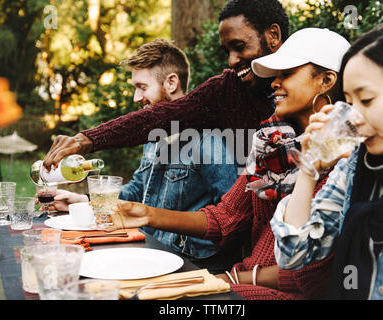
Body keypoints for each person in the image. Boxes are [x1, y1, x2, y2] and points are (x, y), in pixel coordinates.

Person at [107, 28, 351, 300]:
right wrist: (147, 214)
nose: (274, 83)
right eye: (275, 75)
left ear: (326, 80)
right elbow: (225, 218)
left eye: (287, 73)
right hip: (241, 279)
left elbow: (311, 276)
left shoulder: (344, 156)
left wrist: (225, 279)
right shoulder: (270, 143)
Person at [50, 39, 242, 273]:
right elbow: (138, 191)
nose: (135, 98)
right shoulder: (155, 136)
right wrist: (85, 202)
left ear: (171, 82)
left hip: (195, 265)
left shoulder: (207, 140)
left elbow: (233, 216)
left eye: (142, 87)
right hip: (149, 252)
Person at [271, 23, 383, 300]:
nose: (354, 118)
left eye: (367, 100)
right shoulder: (355, 166)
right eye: (350, 103)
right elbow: (293, 255)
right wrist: (309, 168)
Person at [41, 0, 290, 171]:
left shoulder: (313, 84)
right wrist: (87, 139)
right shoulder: (226, 89)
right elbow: (158, 117)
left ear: (273, 35)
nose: (232, 60)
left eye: (239, 47)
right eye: (227, 50)